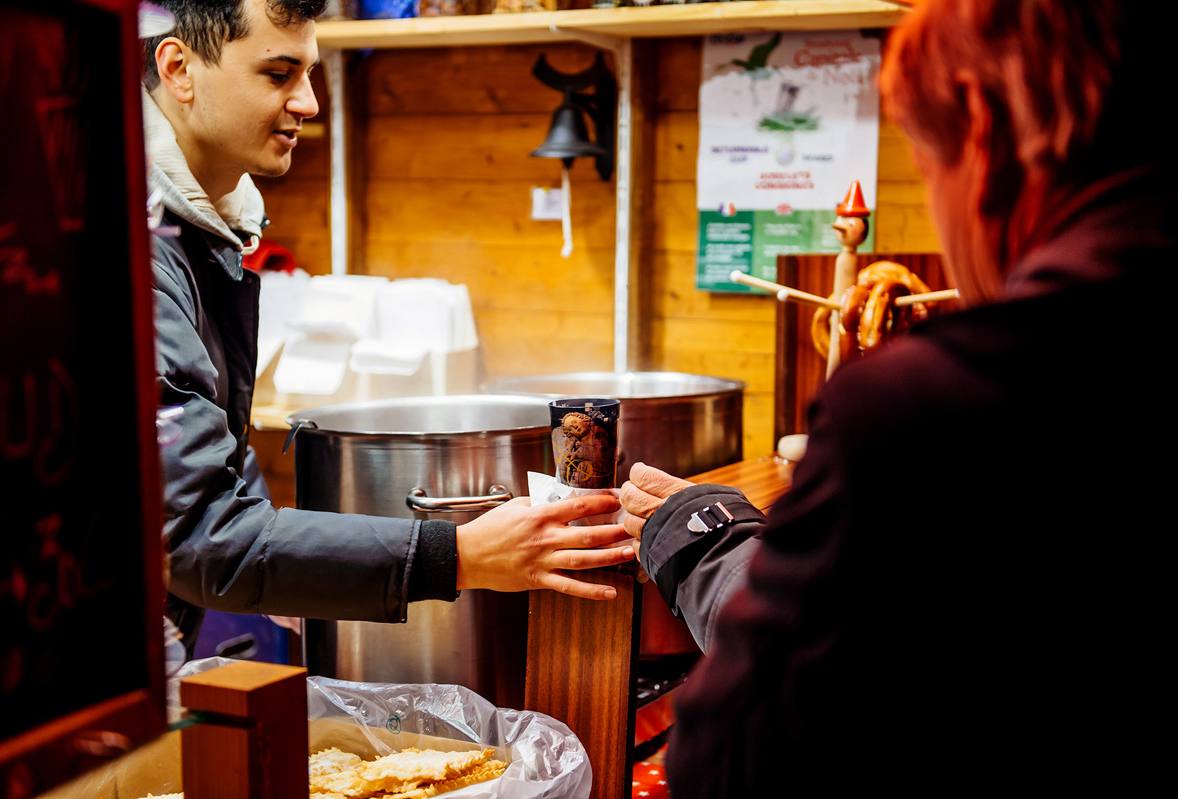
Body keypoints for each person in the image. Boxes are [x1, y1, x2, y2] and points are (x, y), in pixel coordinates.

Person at [621, 0, 1172, 791]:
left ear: (980, 127)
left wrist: (707, 537)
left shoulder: (925, 406)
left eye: (922, 165)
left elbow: (730, 757)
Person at [142, 0, 633, 654]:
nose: (308, 102)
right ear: (179, 69)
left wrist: (296, 578)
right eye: (278, 74)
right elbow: (202, 536)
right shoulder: (140, 252)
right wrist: (457, 554)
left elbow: (214, 455)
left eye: (310, 74)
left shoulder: (202, 227)